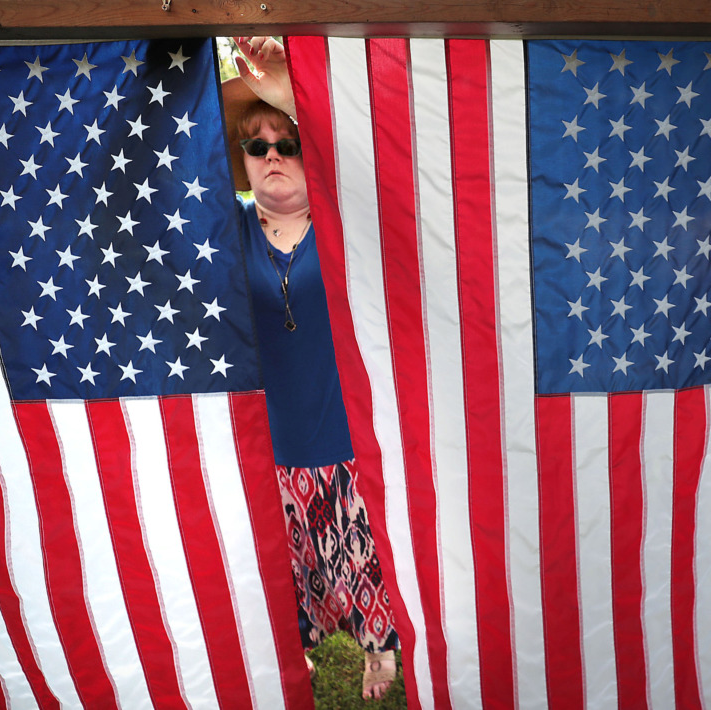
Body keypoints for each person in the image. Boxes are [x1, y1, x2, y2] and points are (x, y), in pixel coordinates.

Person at [225, 37, 399, 700]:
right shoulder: (229, 227)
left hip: (349, 428)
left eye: (287, 142)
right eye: (257, 144)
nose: (271, 155)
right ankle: (287, 644)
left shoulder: (346, 220)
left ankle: (377, 647)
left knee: (361, 548)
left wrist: (290, 96)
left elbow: (366, 164)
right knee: (281, 556)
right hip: (266, 435)